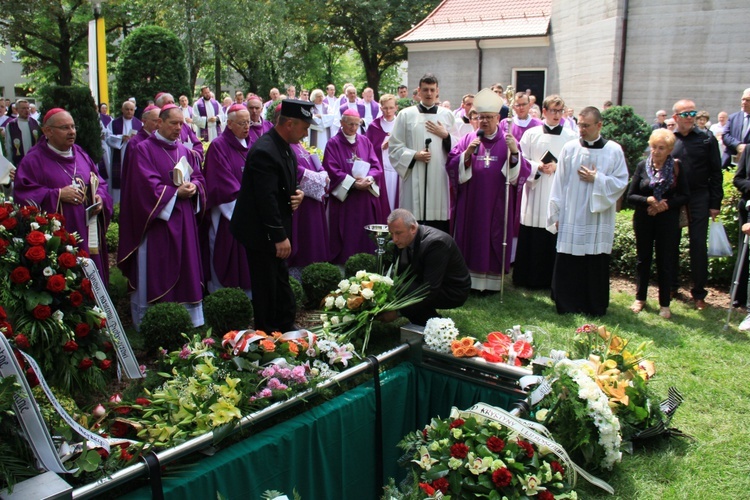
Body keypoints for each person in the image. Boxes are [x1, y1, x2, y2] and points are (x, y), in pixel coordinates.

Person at [118, 104, 206, 329]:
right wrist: (176, 193)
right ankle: (153, 320)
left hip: (184, 219)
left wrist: (195, 187)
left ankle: (188, 317)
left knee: (186, 265)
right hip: (158, 223)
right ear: (159, 123)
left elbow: (198, 177)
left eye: (182, 123)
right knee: (159, 267)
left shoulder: (184, 151)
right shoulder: (143, 150)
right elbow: (143, 187)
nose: (179, 128)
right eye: (174, 123)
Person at [230, 99, 310, 333]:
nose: (305, 134)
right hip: (260, 231)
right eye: (304, 128)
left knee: (280, 279)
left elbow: (283, 186)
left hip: (272, 227)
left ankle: (284, 326)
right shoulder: (265, 151)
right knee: (266, 284)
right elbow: (265, 199)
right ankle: (266, 334)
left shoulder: (284, 146)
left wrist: (298, 195)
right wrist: (278, 236)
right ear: (289, 124)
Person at [14, 108, 112, 285]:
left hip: (87, 231)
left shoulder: (80, 154)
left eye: (73, 126)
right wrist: (57, 194)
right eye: (65, 127)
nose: (72, 131)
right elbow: (24, 194)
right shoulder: (34, 160)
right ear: (47, 131)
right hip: (58, 238)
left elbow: (100, 182)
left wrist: (99, 197)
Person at [547, 106, 629, 316]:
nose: (581, 129)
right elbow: (559, 181)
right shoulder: (570, 148)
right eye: (580, 124)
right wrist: (556, 212)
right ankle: (566, 303)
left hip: (597, 216)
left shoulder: (613, 150)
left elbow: (621, 181)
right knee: (569, 258)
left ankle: (593, 304)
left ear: (599, 125)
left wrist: (598, 179)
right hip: (572, 212)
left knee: (594, 259)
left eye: (586, 125)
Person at [446, 88, 530, 291]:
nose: (483, 121)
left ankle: (491, 284)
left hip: (497, 202)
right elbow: (451, 164)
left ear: (498, 118)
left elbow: (519, 172)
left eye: (488, 117)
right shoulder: (469, 139)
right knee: (471, 236)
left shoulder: (508, 141)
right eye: (480, 117)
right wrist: (467, 154)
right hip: (472, 202)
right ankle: (469, 281)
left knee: (493, 235)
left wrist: (513, 153)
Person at [514, 95, 577, 290]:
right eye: (553, 111)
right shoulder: (531, 134)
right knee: (533, 233)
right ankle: (528, 278)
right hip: (535, 190)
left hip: (557, 190)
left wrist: (558, 167)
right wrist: (537, 167)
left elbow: (574, 165)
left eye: (560, 111)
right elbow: (521, 160)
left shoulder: (571, 137)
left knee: (553, 234)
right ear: (544, 112)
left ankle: (551, 279)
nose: (557, 115)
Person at [627, 129, 690, 319]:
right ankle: (640, 298)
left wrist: (665, 204)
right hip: (644, 218)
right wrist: (648, 201)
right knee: (643, 259)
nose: (656, 151)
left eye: (661, 148)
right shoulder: (641, 166)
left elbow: (685, 195)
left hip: (667, 220)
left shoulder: (677, 168)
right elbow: (631, 196)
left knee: (665, 261)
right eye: (654, 147)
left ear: (670, 149)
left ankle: (664, 303)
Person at [671, 99, 722, 310]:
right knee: (670, 243)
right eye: (685, 114)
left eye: (693, 113)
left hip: (699, 197)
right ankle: (671, 288)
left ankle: (699, 294)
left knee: (698, 246)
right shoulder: (669, 139)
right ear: (675, 118)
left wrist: (715, 202)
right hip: (674, 198)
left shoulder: (706, 140)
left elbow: (716, 172)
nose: (690, 117)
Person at [389, 73, 456, 233]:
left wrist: (446, 136)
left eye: (432, 90)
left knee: (437, 227)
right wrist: (414, 155)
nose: (429, 94)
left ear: (437, 91)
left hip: (438, 177)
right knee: (412, 222)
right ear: (419, 91)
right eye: (425, 90)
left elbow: (458, 149)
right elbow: (394, 147)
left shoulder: (447, 115)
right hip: (414, 177)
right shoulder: (406, 115)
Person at [324, 109, 389, 264]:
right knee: (348, 232)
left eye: (356, 124)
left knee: (364, 231)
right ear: (341, 123)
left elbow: (376, 165)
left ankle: (367, 261)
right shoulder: (333, 144)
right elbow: (331, 169)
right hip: (345, 199)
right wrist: (353, 183)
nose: (353, 128)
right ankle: (345, 261)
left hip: (365, 197)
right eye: (350, 124)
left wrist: (369, 178)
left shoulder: (365, 141)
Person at [385, 208, 470, 325]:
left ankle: (436, 327)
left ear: (413, 228)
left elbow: (429, 290)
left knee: (404, 291)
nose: (394, 239)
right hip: (426, 281)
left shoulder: (436, 243)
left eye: (398, 233)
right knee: (396, 287)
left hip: (452, 290)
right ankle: (426, 321)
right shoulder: (403, 239)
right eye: (391, 233)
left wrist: (398, 311)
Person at [202, 104, 253, 297]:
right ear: (229, 124)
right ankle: (223, 296)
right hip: (228, 212)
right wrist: (246, 210)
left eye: (248, 122)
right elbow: (220, 182)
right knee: (227, 251)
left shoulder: (251, 144)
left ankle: (248, 296)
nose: (247, 126)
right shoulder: (218, 146)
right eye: (242, 123)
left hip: (251, 211)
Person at [289, 140, 330, 268]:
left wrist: (323, 173)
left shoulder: (299, 144)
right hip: (301, 205)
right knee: (305, 238)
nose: (306, 133)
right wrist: (321, 179)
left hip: (314, 203)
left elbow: (315, 163)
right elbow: (296, 171)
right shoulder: (285, 146)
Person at [367, 94, 400, 212]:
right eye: (385, 108)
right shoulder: (374, 126)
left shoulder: (401, 124)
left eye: (391, 108)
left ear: (396, 107)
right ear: (381, 108)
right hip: (382, 169)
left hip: (398, 170)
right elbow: (368, 150)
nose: (388, 111)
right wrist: (381, 147)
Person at [105, 100, 142, 203]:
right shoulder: (113, 123)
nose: (129, 111)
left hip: (134, 156)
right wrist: (121, 138)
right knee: (118, 181)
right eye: (127, 109)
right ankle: (117, 205)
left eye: (131, 109)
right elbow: (108, 138)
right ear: (122, 110)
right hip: (119, 155)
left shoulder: (139, 124)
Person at [155, 93, 204, 162]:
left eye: (173, 102)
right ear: (158, 107)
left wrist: (194, 154)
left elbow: (197, 144)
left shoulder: (184, 126)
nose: (178, 127)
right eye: (168, 102)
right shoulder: (155, 126)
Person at [4, 99, 40, 166]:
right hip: (19, 161)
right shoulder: (11, 125)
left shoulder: (35, 123)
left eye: (27, 108)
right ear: (17, 110)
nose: (26, 110)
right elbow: (8, 146)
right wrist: (10, 165)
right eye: (23, 108)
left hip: (34, 161)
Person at [722, 88, 750, 168]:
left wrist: (746, 148)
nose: (744, 102)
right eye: (743, 99)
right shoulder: (733, 118)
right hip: (730, 164)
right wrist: (737, 145)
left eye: (748, 100)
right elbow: (725, 136)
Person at [308, 89, 336, 153]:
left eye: (321, 96)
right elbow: (310, 119)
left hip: (326, 133)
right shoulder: (310, 107)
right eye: (318, 96)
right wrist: (324, 121)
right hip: (314, 132)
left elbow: (332, 117)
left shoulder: (327, 107)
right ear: (314, 98)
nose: (320, 98)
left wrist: (321, 116)